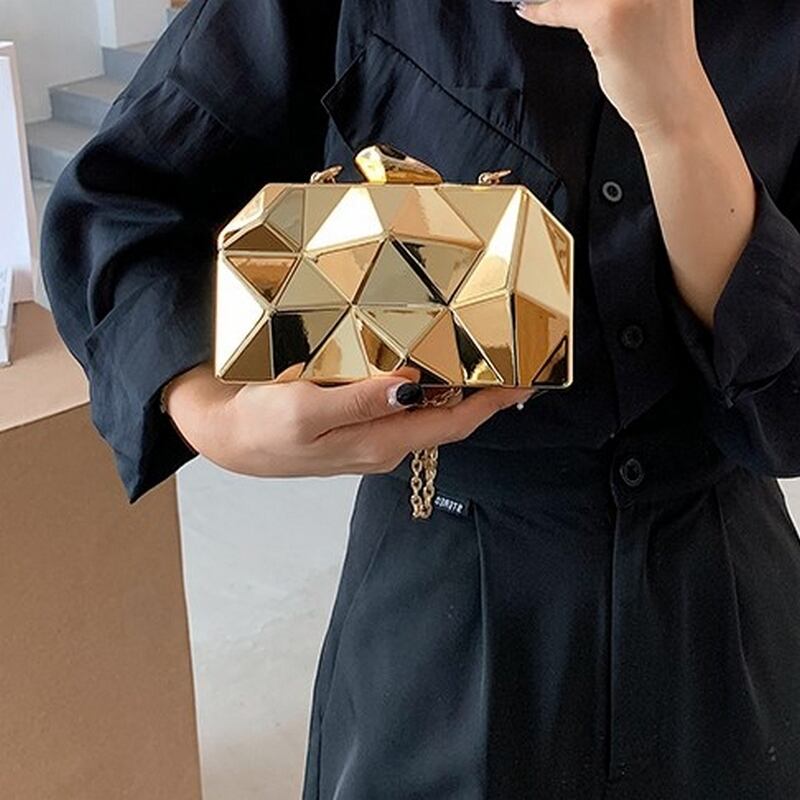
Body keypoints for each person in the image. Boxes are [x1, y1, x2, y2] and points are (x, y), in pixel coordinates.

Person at [40, 0, 800, 797]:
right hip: (441, 603)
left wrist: (676, 109)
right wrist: (212, 414)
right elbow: (124, 205)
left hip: (729, 618)